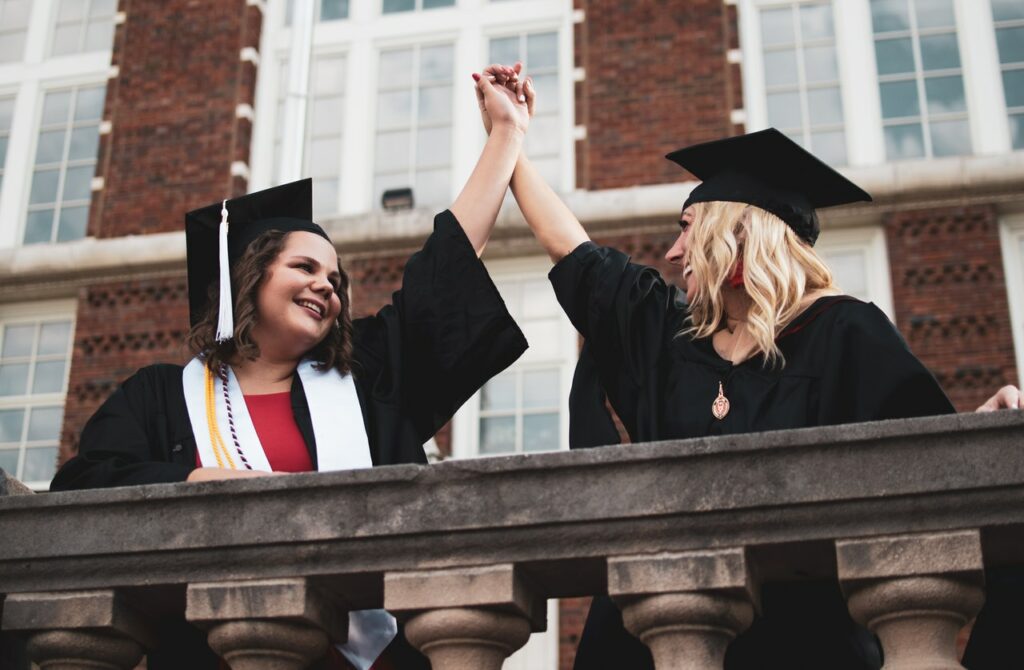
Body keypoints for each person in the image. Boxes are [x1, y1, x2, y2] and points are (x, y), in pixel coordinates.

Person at [479, 64, 1023, 669]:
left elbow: (923, 463)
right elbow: (570, 249)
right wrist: (511, 138)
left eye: (688, 229)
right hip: (659, 640)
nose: (673, 251)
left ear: (736, 238)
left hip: (802, 646)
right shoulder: (667, 333)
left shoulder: (847, 335)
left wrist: (977, 432)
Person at [50, 70, 531, 670]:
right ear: (249, 279)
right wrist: (201, 484)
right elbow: (82, 490)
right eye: (304, 267)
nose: (324, 286)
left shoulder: (365, 381)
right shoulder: (161, 397)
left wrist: (505, 136)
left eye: (335, 279)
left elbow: (444, 271)